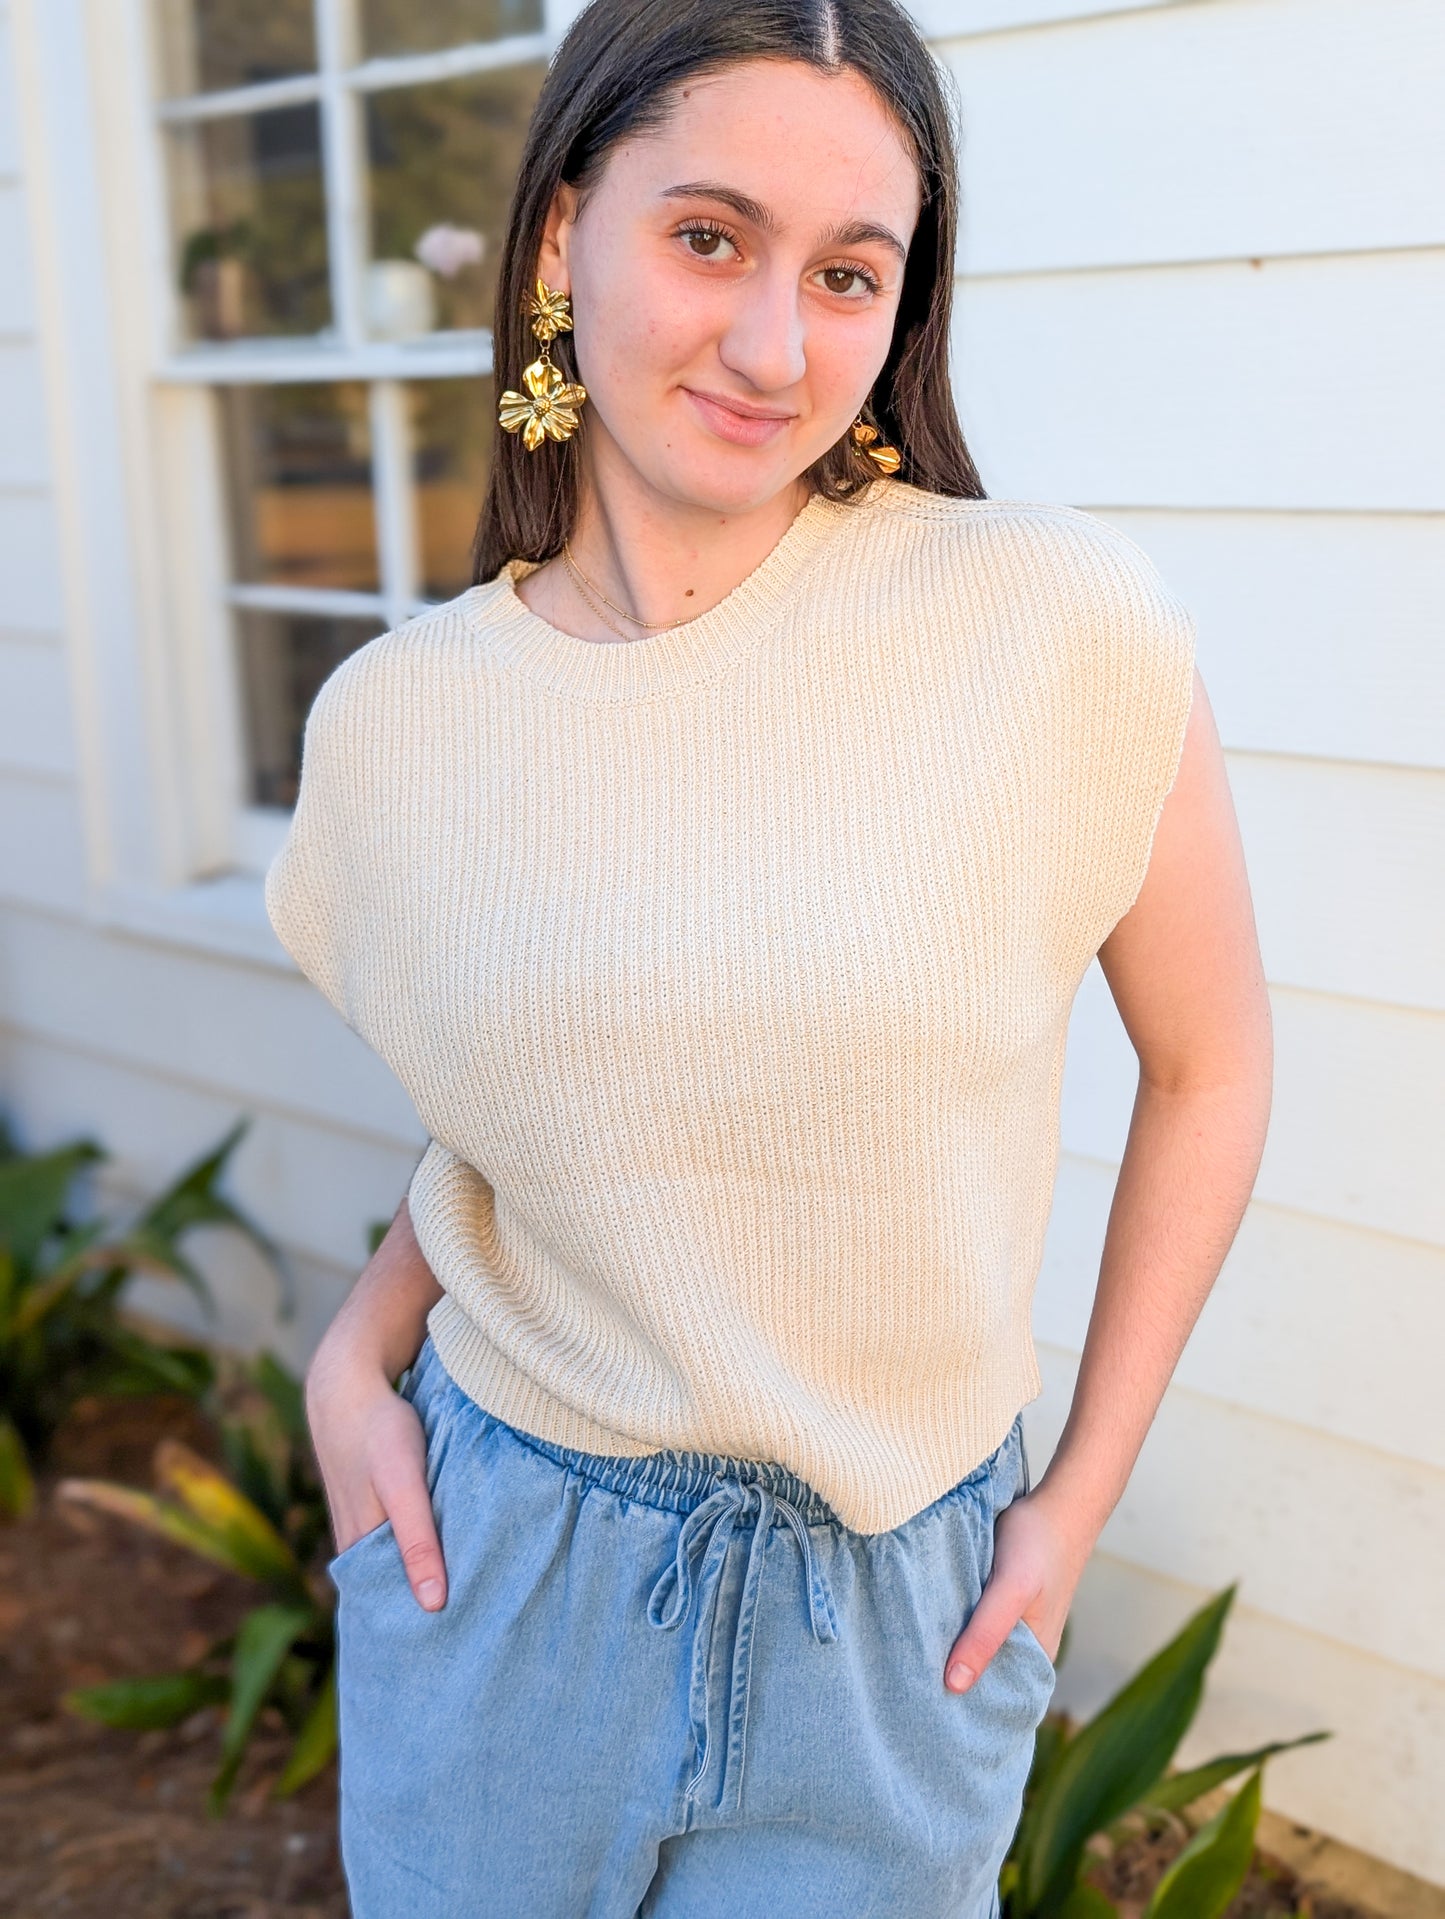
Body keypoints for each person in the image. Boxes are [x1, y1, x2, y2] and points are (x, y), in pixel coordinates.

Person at [265, 0, 1273, 1910]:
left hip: (896, 1614)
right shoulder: (397, 729)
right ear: (562, 236)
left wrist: (1074, 1505)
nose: (767, 343)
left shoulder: (1046, 627)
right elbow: (550, 1132)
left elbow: (1211, 1067)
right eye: (705, 237)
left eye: (845, 273)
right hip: (506, 1585)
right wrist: (359, 1345)